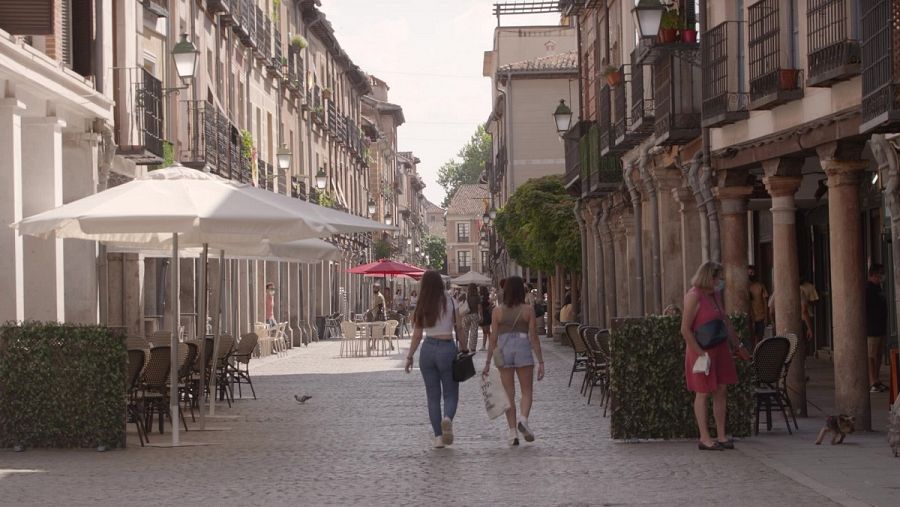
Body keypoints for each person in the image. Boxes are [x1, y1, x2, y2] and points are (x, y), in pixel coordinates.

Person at [681, 261, 749, 451]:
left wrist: (738, 345)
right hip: (701, 351)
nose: (720, 281)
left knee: (721, 390)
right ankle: (704, 437)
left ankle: (721, 434)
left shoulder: (716, 295)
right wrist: (701, 354)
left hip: (720, 349)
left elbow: (725, 320)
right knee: (703, 392)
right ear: (708, 277)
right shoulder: (694, 296)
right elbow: (685, 330)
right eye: (717, 277)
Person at [404, 270, 468, 448]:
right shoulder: (450, 300)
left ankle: (438, 438)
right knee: (450, 393)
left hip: (428, 350)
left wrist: (410, 356)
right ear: (440, 283)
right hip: (447, 348)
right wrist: (464, 347)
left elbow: (417, 335)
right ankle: (447, 418)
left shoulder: (422, 304)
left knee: (432, 397)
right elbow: (459, 328)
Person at [483, 276, 545, 446]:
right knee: (526, 391)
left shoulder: (497, 312)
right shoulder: (528, 310)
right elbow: (534, 336)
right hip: (523, 348)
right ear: (521, 291)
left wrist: (488, 362)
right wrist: (541, 361)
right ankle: (523, 420)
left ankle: (512, 433)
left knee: (508, 393)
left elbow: (493, 338)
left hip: (503, 350)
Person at [866, 263, 889, 393]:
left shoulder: (878, 288)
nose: (882, 276)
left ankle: (877, 379)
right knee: (871, 356)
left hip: (880, 327)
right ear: (874, 275)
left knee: (878, 355)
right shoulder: (868, 289)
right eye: (880, 274)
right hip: (872, 328)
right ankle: (872, 381)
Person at [747, 265, 769, 346]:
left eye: (752, 272)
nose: (751, 274)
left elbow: (765, 302)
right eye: (749, 273)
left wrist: (766, 317)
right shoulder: (745, 287)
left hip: (760, 316)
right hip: (750, 317)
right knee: (750, 339)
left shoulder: (760, 286)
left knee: (760, 338)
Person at [464, 284, 482, 352]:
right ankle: (472, 347)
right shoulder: (477, 297)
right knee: (474, 332)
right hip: (474, 315)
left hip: (466, 315)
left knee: (465, 331)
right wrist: (481, 315)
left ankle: (464, 346)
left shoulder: (466, 296)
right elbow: (479, 307)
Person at [479, 285, 493, 351]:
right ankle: (490, 344)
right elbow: (490, 304)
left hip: (484, 315)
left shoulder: (482, 298)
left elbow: (482, 307)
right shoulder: (486, 297)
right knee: (487, 331)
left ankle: (485, 345)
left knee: (486, 331)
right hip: (486, 315)